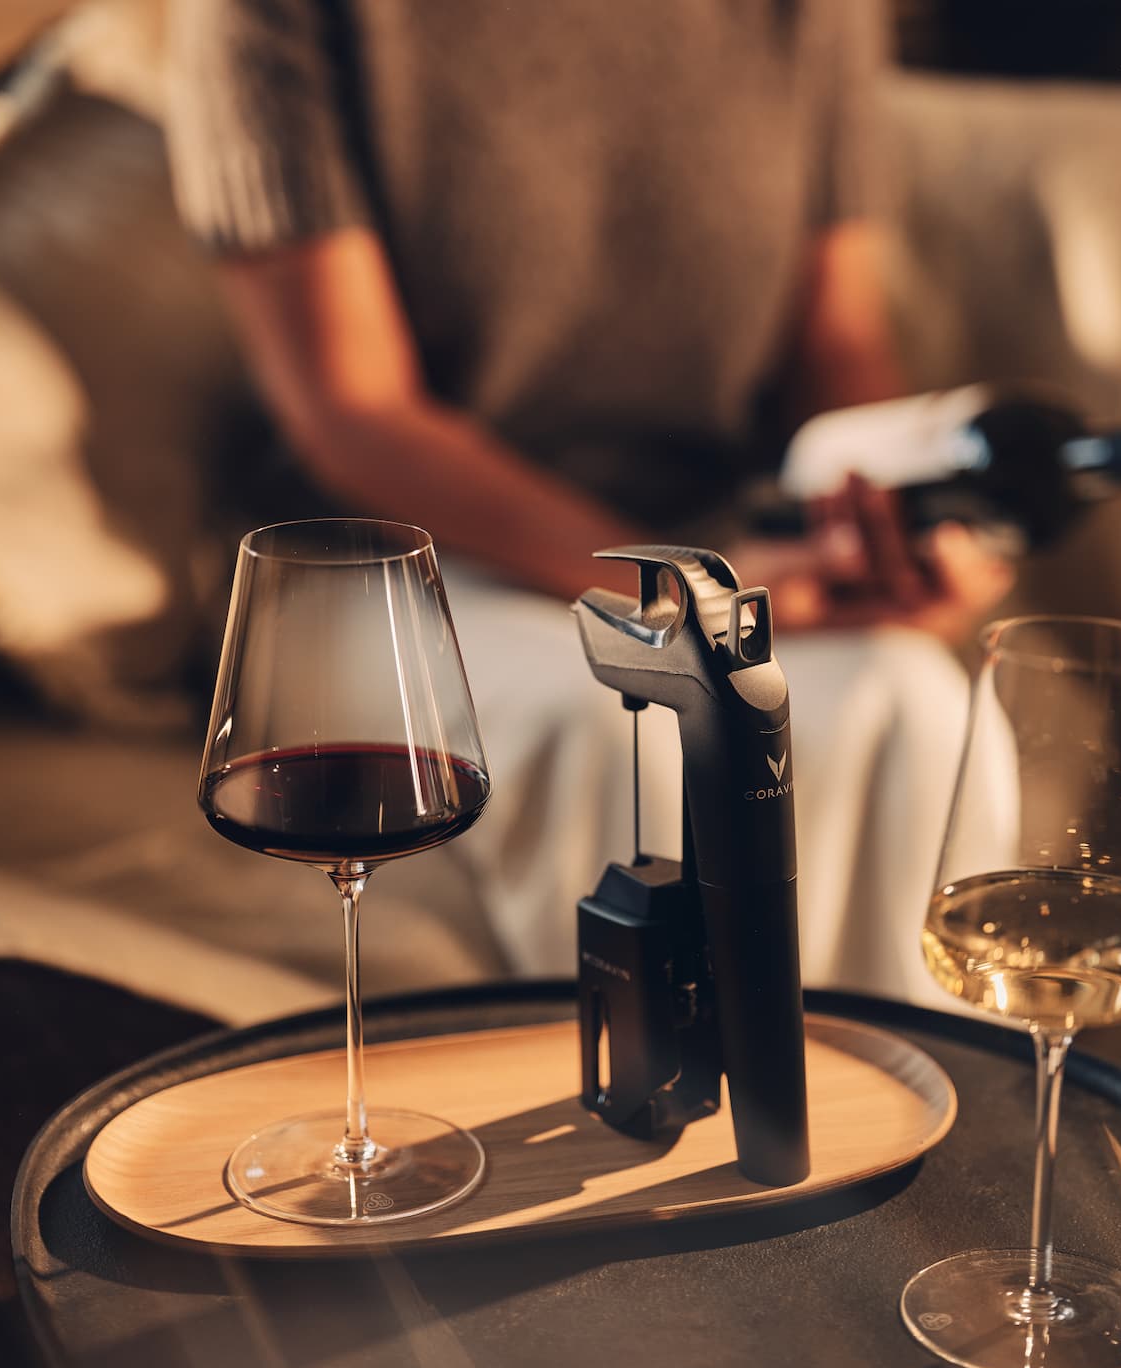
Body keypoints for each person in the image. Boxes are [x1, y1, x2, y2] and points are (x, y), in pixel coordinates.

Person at [164, 0, 1013, 1000]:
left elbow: (835, 342)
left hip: (704, 548)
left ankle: (895, 1097)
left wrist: (893, 527)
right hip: (393, 569)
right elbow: (352, 412)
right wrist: (669, 591)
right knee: (631, 734)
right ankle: (653, 1101)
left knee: (909, 702)